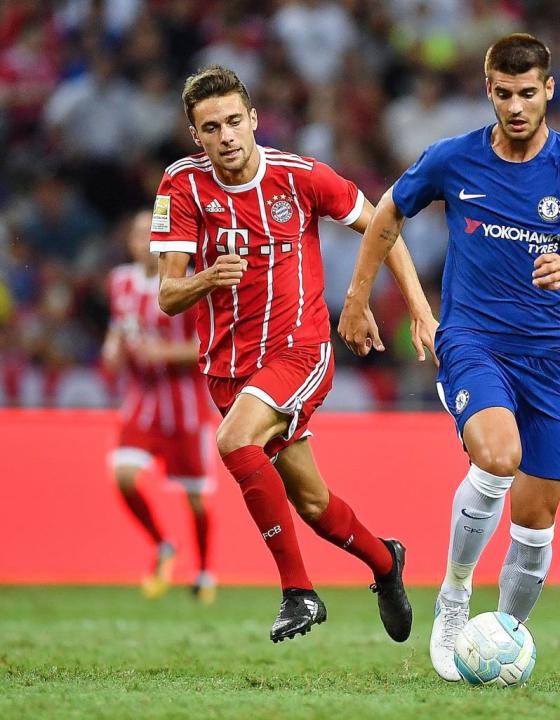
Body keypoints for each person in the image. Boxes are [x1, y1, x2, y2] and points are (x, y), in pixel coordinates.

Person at [338, 33, 560, 681]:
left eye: (528, 93)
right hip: (473, 342)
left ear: (549, 89)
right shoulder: (453, 159)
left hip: (551, 357)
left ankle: (504, 636)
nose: (516, 106)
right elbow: (386, 213)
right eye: (504, 93)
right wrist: (358, 298)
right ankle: (455, 596)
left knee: (536, 519)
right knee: (497, 456)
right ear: (487, 90)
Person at [150, 65, 436, 644]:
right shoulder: (180, 186)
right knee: (309, 501)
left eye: (235, 121)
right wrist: (207, 278)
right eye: (212, 127)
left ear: (254, 120)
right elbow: (168, 296)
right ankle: (386, 561)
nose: (227, 135)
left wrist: (417, 308)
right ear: (195, 135)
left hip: (298, 351)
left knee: (233, 442)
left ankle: (298, 592)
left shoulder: (299, 177)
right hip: (227, 367)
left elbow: (383, 224)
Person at [104, 209, 216, 604]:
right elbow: (119, 328)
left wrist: (164, 352)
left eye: (146, 233)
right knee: (123, 476)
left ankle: (203, 573)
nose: (140, 240)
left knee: (196, 498)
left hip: (184, 406)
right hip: (142, 401)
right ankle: (163, 544)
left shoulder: (183, 287)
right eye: (134, 233)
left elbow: (206, 345)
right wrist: (112, 350)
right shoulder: (119, 283)